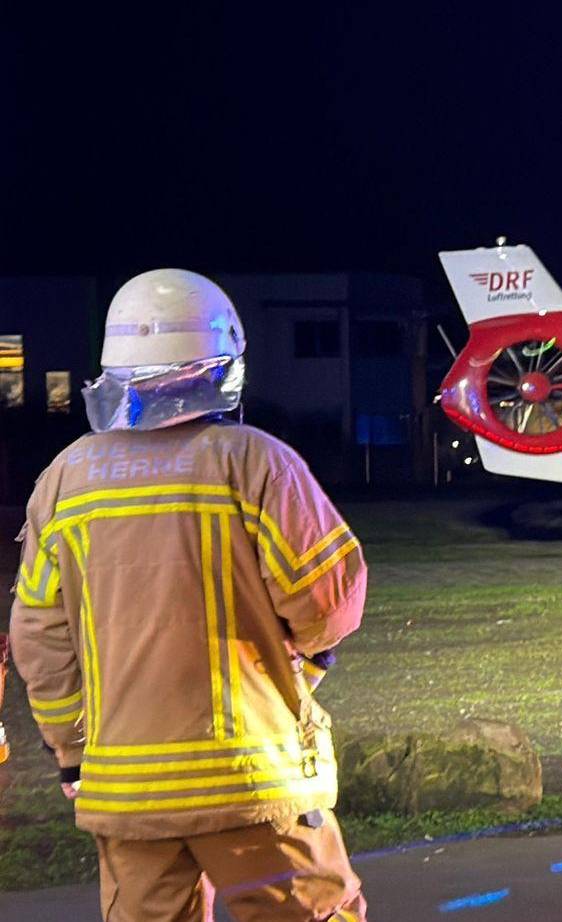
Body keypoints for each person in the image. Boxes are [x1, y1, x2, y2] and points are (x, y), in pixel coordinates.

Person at [8, 269, 368, 921]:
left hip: (127, 796)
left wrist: (71, 754)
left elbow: (39, 641)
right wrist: (302, 659)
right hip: (252, 781)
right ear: (220, 363)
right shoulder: (254, 461)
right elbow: (329, 599)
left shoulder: (66, 480)